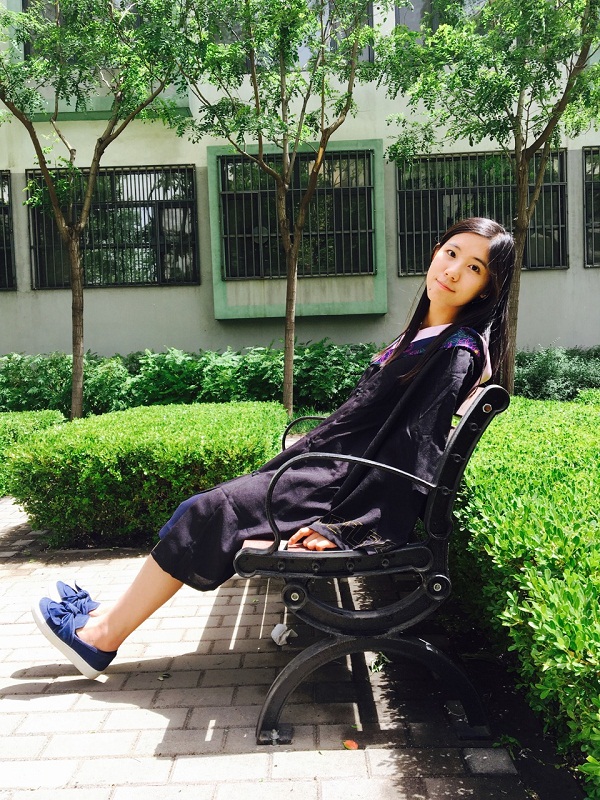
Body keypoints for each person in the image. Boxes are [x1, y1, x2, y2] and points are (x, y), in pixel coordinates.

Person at [32, 216, 515, 680]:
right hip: (328, 467)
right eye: (451, 253)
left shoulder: (455, 351)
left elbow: (415, 445)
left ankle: (100, 639)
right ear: (435, 252)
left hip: (338, 484)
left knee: (208, 510)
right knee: (203, 507)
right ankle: (107, 618)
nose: (453, 270)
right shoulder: (428, 336)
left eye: (474, 267)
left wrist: (347, 526)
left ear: (487, 288)